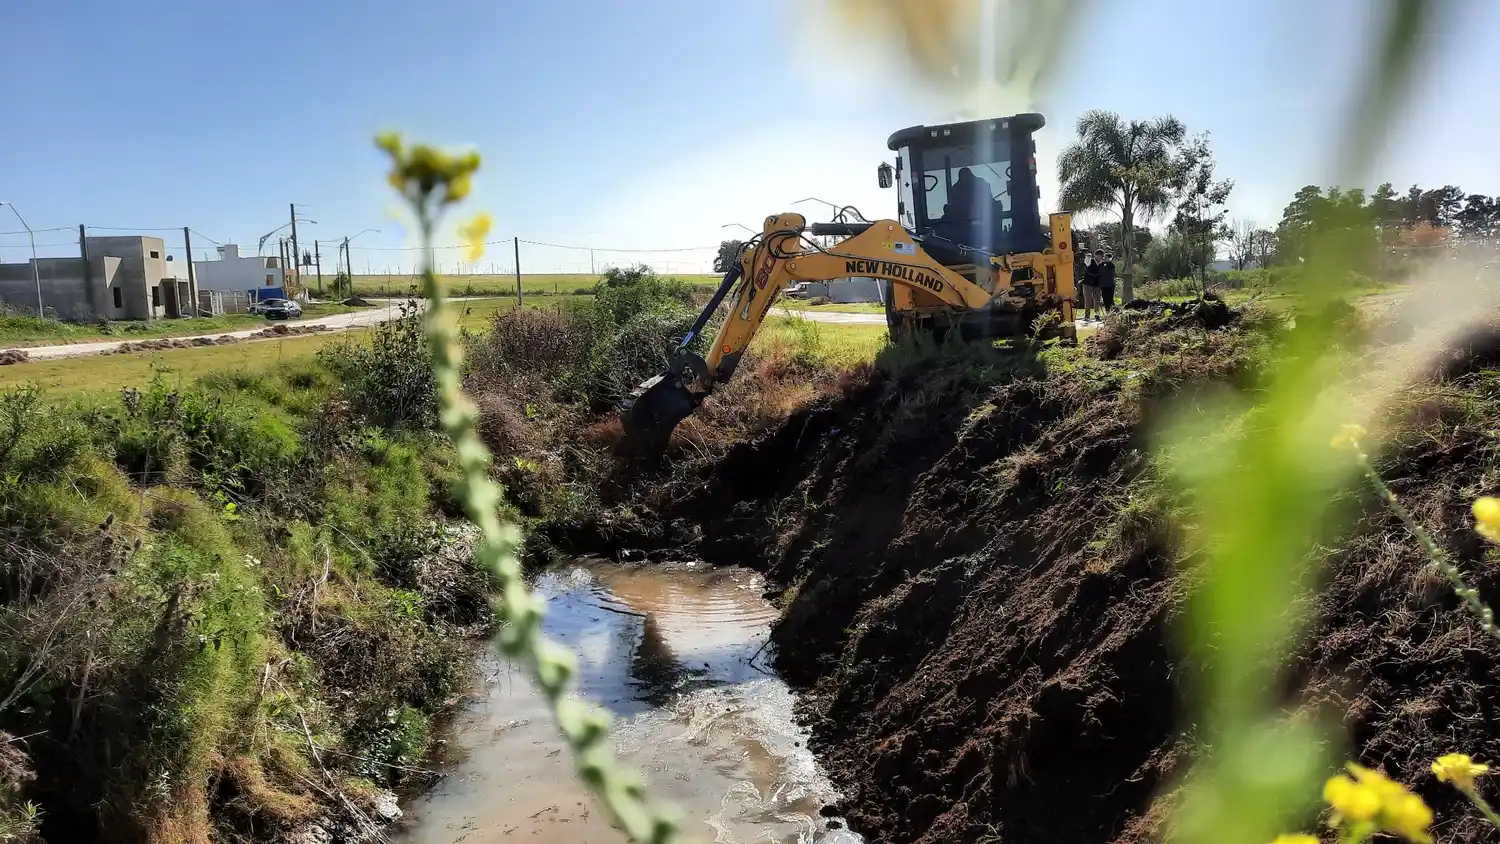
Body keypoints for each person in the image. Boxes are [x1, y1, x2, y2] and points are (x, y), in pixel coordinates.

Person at [1080, 248, 1102, 322]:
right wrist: (1088, 256)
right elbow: (1086, 263)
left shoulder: (1102, 263)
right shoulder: (1090, 261)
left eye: (1100, 256)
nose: (1099, 257)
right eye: (1098, 255)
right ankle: (1087, 316)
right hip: (1087, 284)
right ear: (1095, 255)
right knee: (1088, 300)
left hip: (1097, 284)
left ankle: (1097, 315)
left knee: (1097, 300)